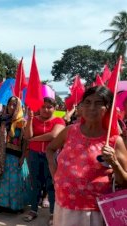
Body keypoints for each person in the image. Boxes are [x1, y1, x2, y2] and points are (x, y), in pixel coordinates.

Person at [46, 86, 127, 226]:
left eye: (98, 103)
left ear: (107, 107)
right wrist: (54, 173)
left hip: (92, 212)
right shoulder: (70, 131)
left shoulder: (114, 141)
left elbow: (124, 182)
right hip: (63, 205)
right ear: (81, 107)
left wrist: (114, 162)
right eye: (87, 102)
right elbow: (50, 149)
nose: (92, 107)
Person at [23, 97, 66, 225]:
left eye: (49, 107)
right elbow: (27, 136)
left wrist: (34, 139)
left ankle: (53, 213)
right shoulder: (33, 119)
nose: (46, 110)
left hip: (51, 156)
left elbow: (54, 135)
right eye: (43, 107)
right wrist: (30, 119)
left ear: (55, 108)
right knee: (35, 183)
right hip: (34, 155)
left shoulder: (59, 120)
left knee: (51, 184)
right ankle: (33, 210)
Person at [0, 96, 29, 213]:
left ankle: (17, 205)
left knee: (15, 182)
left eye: (15, 105)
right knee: (2, 181)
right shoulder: (2, 119)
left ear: (19, 107)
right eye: (10, 104)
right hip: (3, 156)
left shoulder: (22, 122)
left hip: (16, 158)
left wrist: (23, 157)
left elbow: (26, 141)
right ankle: (1, 204)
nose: (12, 107)